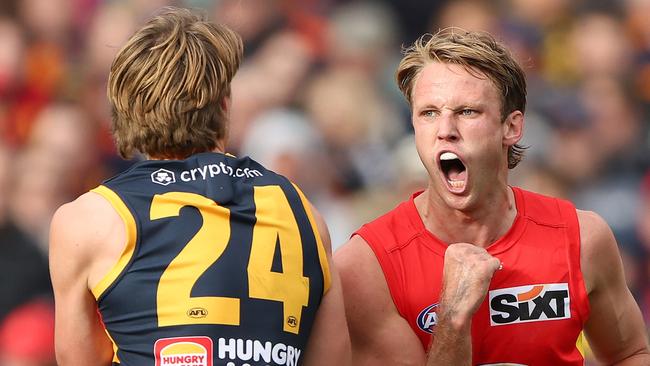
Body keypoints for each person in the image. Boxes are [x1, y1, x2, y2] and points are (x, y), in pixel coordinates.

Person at [48, 7, 350, 366]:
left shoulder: (91, 219)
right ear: (224, 106)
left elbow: (76, 359)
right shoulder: (303, 213)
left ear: (125, 111)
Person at [334, 28, 650, 365]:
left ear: (511, 127)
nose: (445, 130)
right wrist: (453, 318)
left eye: (467, 111)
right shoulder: (367, 265)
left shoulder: (582, 238)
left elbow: (630, 353)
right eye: (429, 113)